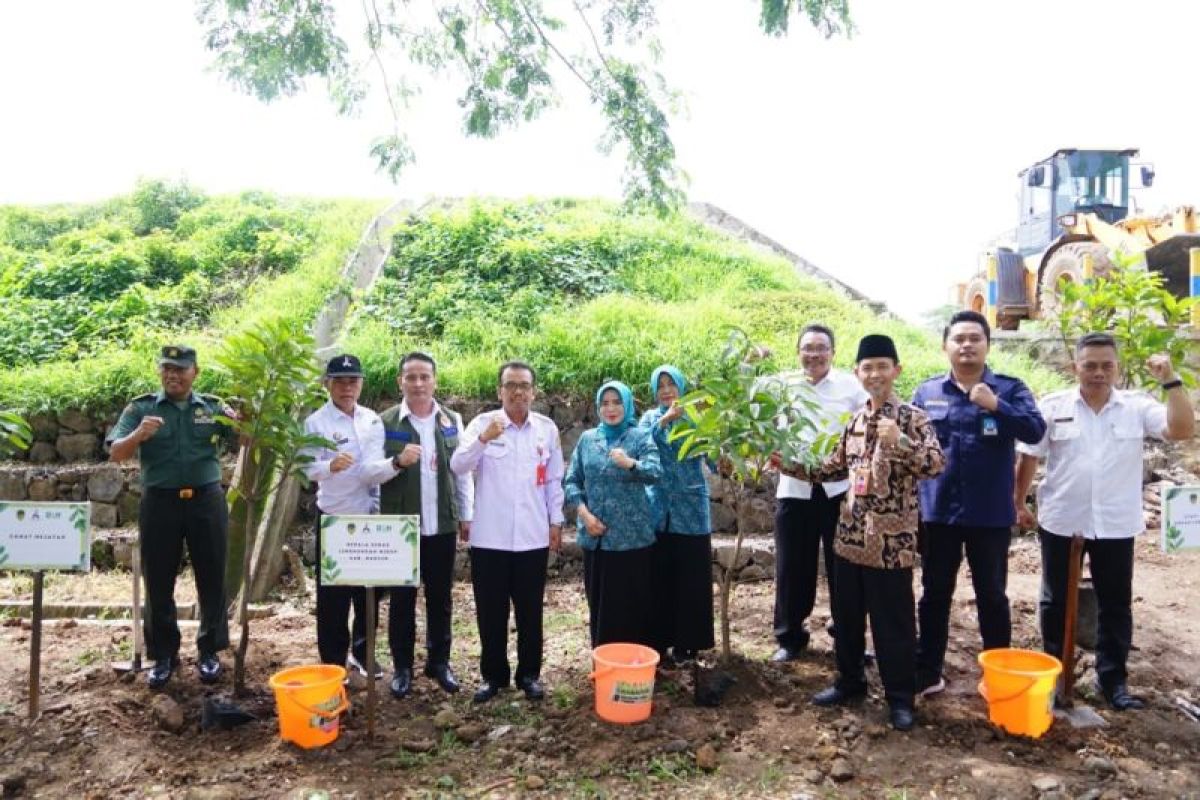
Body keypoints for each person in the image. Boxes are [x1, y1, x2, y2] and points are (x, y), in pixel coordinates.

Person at [1014, 334, 1194, 710]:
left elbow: (1181, 430)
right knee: (1054, 600)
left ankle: (1113, 682)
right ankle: (1056, 675)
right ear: (1074, 367)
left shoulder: (1136, 407)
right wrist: (1018, 502)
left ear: (1117, 367)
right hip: (1063, 519)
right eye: (1090, 365)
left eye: (1106, 365)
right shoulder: (1053, 406)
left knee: (1115, 603)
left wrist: (1171, 381)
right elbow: (1030, 456)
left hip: (1115, 522)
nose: (1098, 373)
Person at [800, 334, 945, 731]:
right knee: (846, 619)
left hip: (890, 544)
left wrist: (900, 443)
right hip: (849, 538)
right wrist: (783, 463)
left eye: (883, 366)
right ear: (857, 374)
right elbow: (829, 468)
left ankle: (900, 698)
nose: (875, 373)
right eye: (868, 367)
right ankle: (849, 682)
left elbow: (935, 463)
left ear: (896, 371)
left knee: (893, 624)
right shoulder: (856, 420)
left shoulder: (914, 418)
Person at [911, 310, 1046, 697]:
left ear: (988, 344)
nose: (966, 345)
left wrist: (996, 406)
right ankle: (928, 670)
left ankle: (999, 673)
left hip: (989, 514)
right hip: (938, 514)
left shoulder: (1010, 388)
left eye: (975, 338)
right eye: (959, 339)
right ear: (945, 347)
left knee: (992, 594)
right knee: (935, 592)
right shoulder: (927, 393)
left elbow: (1035, 430)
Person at [107, 345, 238, 689]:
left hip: (206, 500)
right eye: (167, 368)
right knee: (159, 580)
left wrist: (245, 421)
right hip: (160, 502)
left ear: (195, 372)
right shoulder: (141, 408)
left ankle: (209, 651)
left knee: (212, 577)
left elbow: (248, 440)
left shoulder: (212, 407)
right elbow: (115, 453)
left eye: (180, 369)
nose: (173, 375)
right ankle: (164, 655)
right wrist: (138, 436)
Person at [450, 361, 565, 703]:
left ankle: (529, 675)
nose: (517, 392)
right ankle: (493, 676)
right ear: (500, 391)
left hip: (532, 536)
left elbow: (554, 480)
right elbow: (458, 465)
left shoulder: (546, 430)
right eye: (510, 385)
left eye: (524, 385)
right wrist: (483, 440)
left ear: (533, 392)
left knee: (530, 611)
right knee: (491, 611)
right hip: (490, 538)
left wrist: (556, 521)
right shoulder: (483, 425)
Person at [768, 324, 868, 662]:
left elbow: (867, 426)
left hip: (839, 491)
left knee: (845, 568)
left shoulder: (850, 386)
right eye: (807, 347)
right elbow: (760, 421)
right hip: (794, 491)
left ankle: (847, 635)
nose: (814, 354)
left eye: (821, 347)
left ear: (833, 352)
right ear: (798, 352)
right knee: (792, 567)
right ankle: (789, 637)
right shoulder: (783, 386)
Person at [376, 352, 473, 699]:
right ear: (400, 381)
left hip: (442, 524)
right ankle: (402, 667)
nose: (418, 384)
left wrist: (466, 514)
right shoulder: (385, 422)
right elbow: (372, 474)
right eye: (410, 377)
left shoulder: (451, 420)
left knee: (440, 597)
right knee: (402, 598)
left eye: (424, 377)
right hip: (401, 526)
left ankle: (439, 662)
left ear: (434, 380)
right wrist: (397, 463)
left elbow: (461, 472)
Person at [301, 354, 401, 676]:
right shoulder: (316, 423)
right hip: (335, 519)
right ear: (327, 384)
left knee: (368, 595)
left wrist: (395, 465)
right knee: (333, 599)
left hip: (369, 518)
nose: (347, 387)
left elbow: (372, 470)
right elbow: (304, 468)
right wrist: (329, 466)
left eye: (353, 380)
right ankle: (332, 663)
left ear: (361, 384)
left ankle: (363, 653)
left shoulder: (371, 420)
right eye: (340, 381)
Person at [564, 380, 662, 648]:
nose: (611, 408)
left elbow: (656, 472)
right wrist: (584, 515)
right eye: (605, 403)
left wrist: (630, 464)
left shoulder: (640, 437)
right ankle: (605, 664)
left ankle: (635, 671)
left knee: (634, 607)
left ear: (627, 405)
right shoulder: (587, 440)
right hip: (596, 538)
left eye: (617, 402)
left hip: (632, 539)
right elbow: (572, 481)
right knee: (601, 606)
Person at [640, 364, 715, 665]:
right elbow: (642, 446)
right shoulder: (650, 419)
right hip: (658, 510)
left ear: (682, 387)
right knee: (659, 578)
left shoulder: (698, 416)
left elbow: (714, 458)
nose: (667, 390)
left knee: (692, 578)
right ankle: (659, 644)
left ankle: (689, 645)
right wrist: (665, 421)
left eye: (672, 384)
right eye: (661, 386)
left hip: (691, 509)